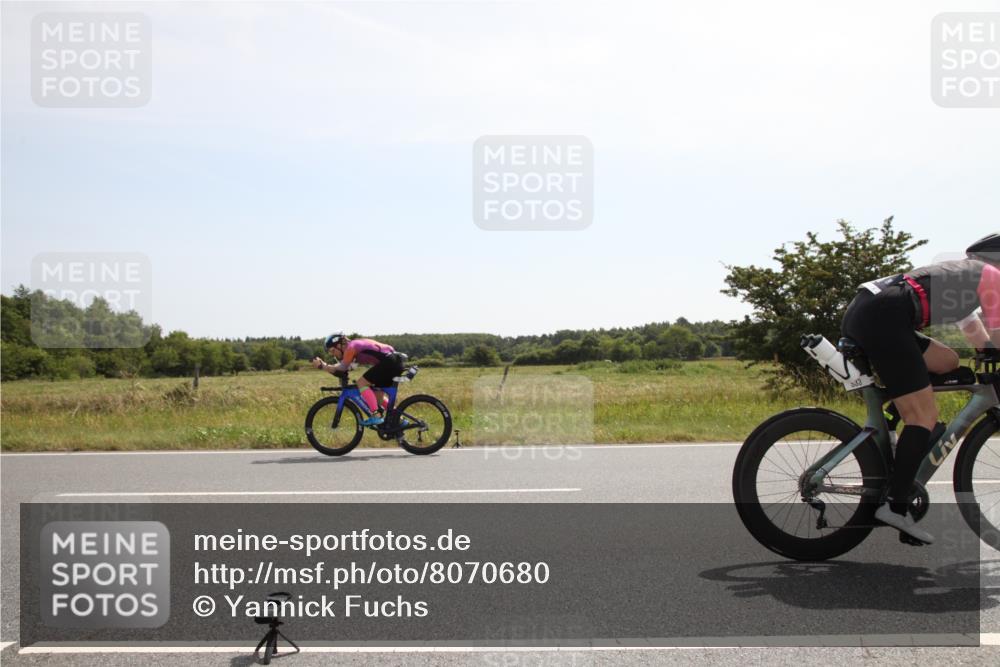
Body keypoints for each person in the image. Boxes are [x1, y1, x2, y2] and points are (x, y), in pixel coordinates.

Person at [841, 233, 1000, 544]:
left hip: (873, 310)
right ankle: (896, 506)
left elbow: (976, 334)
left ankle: (906, 422)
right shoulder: (992, 278)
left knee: (948, 360)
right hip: (884, 317)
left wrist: (987, 352)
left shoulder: (963, 277)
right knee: (923, 417)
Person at [312, 333, 406, 426]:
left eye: (333, 351)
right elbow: (345, 369)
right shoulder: (354, 347)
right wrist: (327, 367)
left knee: (361, 383)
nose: (333, 354)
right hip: (394, 361)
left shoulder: (351, 348)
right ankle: (400, 420)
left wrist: (323, 366)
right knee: (378, 398)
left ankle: (376, 416)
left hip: (389, 362)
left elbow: (342, 368)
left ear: (339, 345)